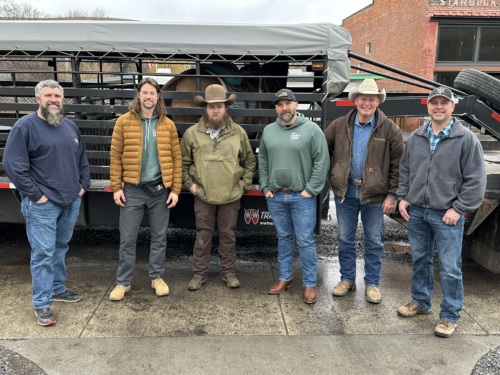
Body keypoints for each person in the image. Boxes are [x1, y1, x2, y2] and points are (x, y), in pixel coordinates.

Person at [396, 86, 486, 338]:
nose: (438, 106)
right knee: (420, 260)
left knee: (449, 267)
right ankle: (421, 302)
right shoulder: (416, 137)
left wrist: (458, 208)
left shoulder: (466, 139)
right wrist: (403, 198)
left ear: (452, 107)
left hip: (446, 214)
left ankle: (449, 315)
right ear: (428, 106)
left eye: (443, 103)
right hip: (417, 212)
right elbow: (405, 170)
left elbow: (476, 180)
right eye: (434, 102)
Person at [3, 80, 90, 326]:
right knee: (43, 253)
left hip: (70, 200)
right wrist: (36, 195)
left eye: (57, 96)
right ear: (38, 99)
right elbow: (14, 166)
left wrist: (82, 187)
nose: (53, 100)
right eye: (48, 95)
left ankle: (57, 288)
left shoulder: (69, 126)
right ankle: (42, 304)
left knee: (60, 246)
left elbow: (82, 159)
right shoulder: (25, 127)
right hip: (43, 204)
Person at [324, 79, 404, 304]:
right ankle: (347, 279)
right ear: (356, 100)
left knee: (374, 240)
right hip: (345, 192)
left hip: (375, 196)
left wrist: (392, 194)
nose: (367, 103)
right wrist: (330, 175)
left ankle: (372, 284)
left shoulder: (390, 129)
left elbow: (399, 164)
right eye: (363, 99)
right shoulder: (339, 125)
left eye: (371, 99)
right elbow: (321, 150)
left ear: (378, 101)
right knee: (344, 239)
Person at [109, 78, 182, 301]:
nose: (149, 97)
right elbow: (115, 155)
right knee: (128, 238)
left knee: (159, 237)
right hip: (132, 190)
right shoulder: (123, 122)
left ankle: (157, 277)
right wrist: (116, 187)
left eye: (153, 93)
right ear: (138, 95)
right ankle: (123, 282)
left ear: (158, 97)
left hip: (160, 190)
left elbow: (176, 159)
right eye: (145, 93)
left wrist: (175, 189)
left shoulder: (167, 124)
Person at [180, 84, 255, 291]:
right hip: (203, 196)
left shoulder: (238, 133)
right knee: (203, 236)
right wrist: (190, 186)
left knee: (228, 236)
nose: (216, 110)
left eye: (219, 106)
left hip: (231, 196)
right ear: (205, 108)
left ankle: (229, 273)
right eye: (212, 106)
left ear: (226, 107)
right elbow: (183, 163)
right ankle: (199, 274)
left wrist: (243, 185)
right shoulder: (192, 134)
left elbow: (249, 161)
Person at [259, 88, 329, 304]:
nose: (284, 108)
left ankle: (309, 284)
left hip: (302, 197)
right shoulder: (269, 131)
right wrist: (265, 186)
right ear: (276, 108)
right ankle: (285, 278)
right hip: (277, 196)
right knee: (284, 238)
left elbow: (322, 161)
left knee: (306, 241)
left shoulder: (312, 130)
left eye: (288, 103)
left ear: (296, 105)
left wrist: (310, 190)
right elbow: (263, 159)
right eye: (280, 105)